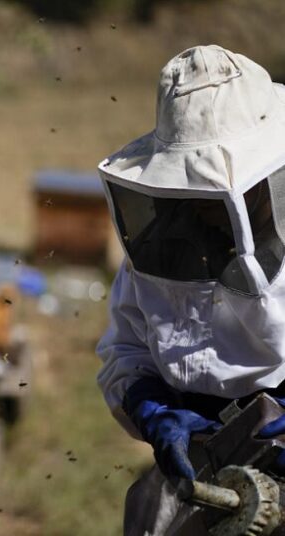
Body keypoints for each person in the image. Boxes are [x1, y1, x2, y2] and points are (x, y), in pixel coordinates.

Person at [96, 44, 285, 535]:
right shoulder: (159, 243)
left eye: (214, 196)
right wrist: (155, 409)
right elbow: (126, 350)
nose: (201, 213)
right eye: (190, 195)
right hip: (206, 474)